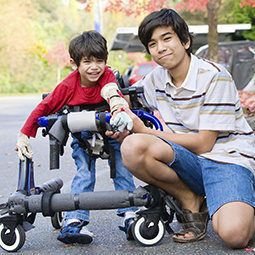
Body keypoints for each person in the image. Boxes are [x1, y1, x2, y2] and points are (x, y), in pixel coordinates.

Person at [109, 9, 255, 249]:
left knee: (234, 235)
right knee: (132, 146)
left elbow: (204, 144)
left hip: (227, 160)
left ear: (185, 41)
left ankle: (240, 202)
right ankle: (190, 199)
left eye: (167, 38)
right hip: (191, 163)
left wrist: (144, 131)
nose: (160, 48)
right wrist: (120, 117)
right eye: (153, 43)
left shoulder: (214, 77)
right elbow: (127, 100)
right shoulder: (155, 79)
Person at [15, 30, 137, 245]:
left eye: (99, 60)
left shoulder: (107, 76)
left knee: (122, 170)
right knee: (84, 174)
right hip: (83, 134)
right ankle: (74, 221)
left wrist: (117, 105)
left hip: (111, 131)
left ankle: (130, 215)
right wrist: (25, 134)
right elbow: (44, 107)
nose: (94, 67)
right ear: (75, 64)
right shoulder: (67, 86)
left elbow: (111, 91)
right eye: (87, 61)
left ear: (105, 61)